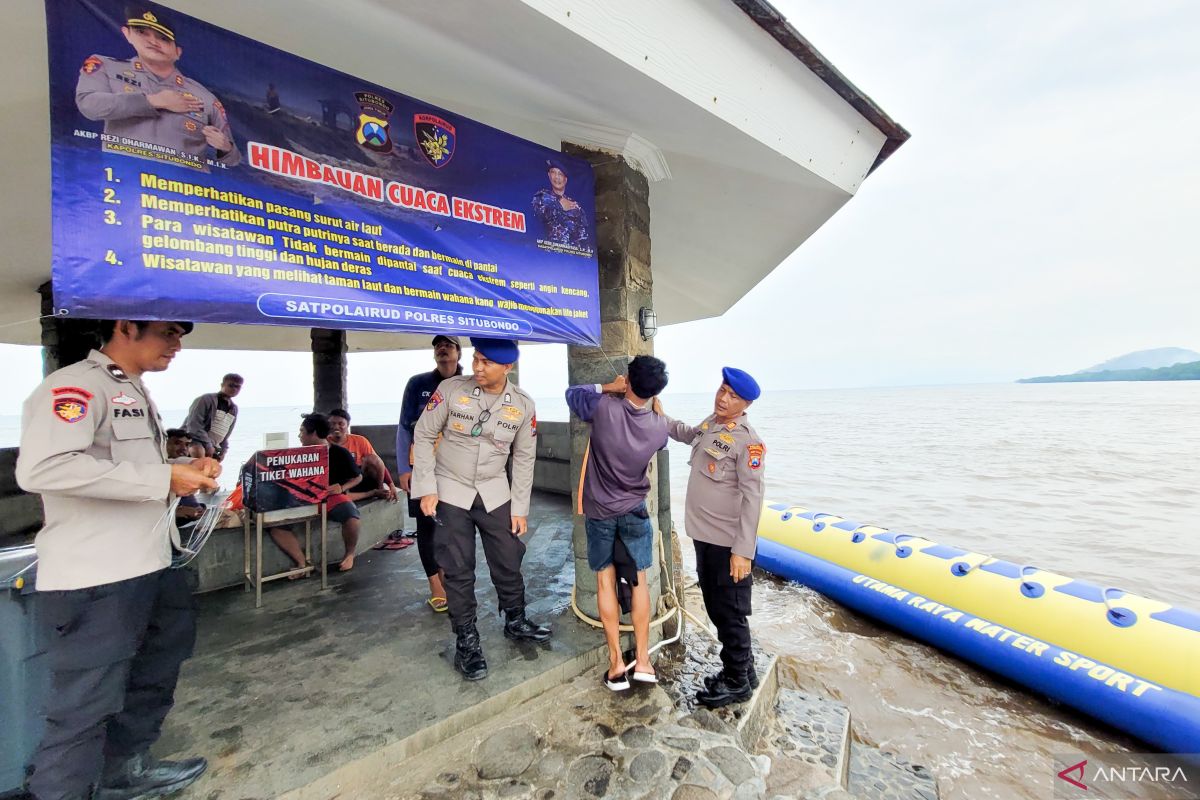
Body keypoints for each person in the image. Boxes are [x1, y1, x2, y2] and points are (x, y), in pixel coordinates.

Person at [16, 319, 220, 800]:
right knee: (85, 704)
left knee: (153, 673)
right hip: (97, 575)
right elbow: (45, 466)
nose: (177, 345)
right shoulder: (75, 387)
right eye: (168, 332)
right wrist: (163, 480)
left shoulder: (133, 390)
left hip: (148, 563)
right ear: (126, 326)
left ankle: (124, 770)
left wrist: (180, 470)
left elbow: (122, 467)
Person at [411, 337, 551, 680]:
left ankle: (515, 619)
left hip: (494, 491)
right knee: (457, 568)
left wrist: (519, 507)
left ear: (508, 367)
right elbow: (424, 434)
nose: (476, 367)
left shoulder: (523, 405)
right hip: (450, 489)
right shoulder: (450, 390)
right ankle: (467, 640)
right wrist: (426, 488)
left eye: (486, 362)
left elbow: (524, 457)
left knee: (508, 556)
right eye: (476, 359)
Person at [566, 356, 671, 691]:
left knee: (604, 582)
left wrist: (607, 387)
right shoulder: (658, 427)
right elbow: (662, 431)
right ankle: (643, 661)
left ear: (627, 380)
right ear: (656, 392)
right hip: (635, 510)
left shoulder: (603, 408)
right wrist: (657, 408)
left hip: (599, 511)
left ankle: (615, 665)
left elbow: (573, 393)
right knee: (639, 582)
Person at [665, 367, 767, 708]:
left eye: (733, 396)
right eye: (722, 390)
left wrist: (743, 551)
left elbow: (753, 497)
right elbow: (687, 433)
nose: (723, 398)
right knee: (716, 603)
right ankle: (743, 671)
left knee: (728, 611)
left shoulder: (747, 441)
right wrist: (658, 415)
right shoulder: (713, 423)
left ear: (746, 403)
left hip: (727, 542)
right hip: (705, 535)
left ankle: (737, 682)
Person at [75, 3, 241, 171]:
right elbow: (88, 105)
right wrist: (152, 101)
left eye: (163, 38)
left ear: (177, 52)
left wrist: (225, 147)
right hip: (127, 184)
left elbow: (233, 159)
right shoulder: (106, 67)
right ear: (128, 34)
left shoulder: (204, 96)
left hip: (186, 191)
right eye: (142, 32)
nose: (153, 41)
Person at [396, 335, 463, 612]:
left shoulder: (469, 384)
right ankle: (435, 584)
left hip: (456, 469)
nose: (442, 349)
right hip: (421, 468)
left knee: (454, 526)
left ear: (459, 352)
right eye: (438, 346)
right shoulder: (417, 384)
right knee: (427, 527)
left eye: (448, 345)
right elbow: (402, 427)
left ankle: (449, 575)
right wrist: (402, 468)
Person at [266, 413, 363, 574]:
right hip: (301, 498)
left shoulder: (339, 453)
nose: (299, 436)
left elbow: (358, 476)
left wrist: (341, 486)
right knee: (275, 524)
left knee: (351, 515)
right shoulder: (296, 455)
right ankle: (302, 563)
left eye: (302, 431)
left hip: (328, 496)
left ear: (314, 433)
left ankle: (349, 554)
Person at [327, 408, 398, 504]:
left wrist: (391, 485)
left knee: (373, 458)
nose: (336, 427)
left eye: (341, 424)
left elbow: (379, 463)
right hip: (340, 482)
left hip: (359, 476)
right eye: (333, 423)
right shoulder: (324, 444)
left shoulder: (360, 441)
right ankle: (371, 493)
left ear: (347, 425)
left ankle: (379, 488)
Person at [531, 157, 591, 250]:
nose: (556, 177)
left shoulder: (575, 206)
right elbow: (542, 216)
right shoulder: (542, 196)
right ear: (548, 175)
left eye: (560, 174)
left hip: (572, 256)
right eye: (553, 172)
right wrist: (562, 207)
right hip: (549, 253)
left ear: (565, 179)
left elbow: (583, 236)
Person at [182, 373, 242, 461]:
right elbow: (193, 426)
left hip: (213, 446)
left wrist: (223, 451)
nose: (234, 389)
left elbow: (225, 435)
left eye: (238, 387)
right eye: (231, 385)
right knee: (198, 451)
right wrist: (208, 445)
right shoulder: (206, 400)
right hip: (193, 441)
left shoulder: (234, 409)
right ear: (222, 385)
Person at [166, 428, 204, 523]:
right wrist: (177, 511)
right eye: (177, 443)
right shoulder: (159, 469)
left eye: (187, 445)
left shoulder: (184, 467)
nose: (183, 448)